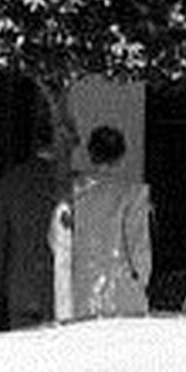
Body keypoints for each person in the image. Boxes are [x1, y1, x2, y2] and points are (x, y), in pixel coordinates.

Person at [55, 125, 153, 320]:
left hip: (81, 289)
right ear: (121, 156)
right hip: (122, 292)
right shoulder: (133, 194)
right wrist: (138, 284)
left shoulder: (73, 194)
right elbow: (139, 248)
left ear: (90, 154)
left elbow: (57, 241)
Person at [0, 117, 75, 329]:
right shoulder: (72, 185)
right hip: (61, 293)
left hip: (22, 289)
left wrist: (5, 284)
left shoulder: (12, 180)